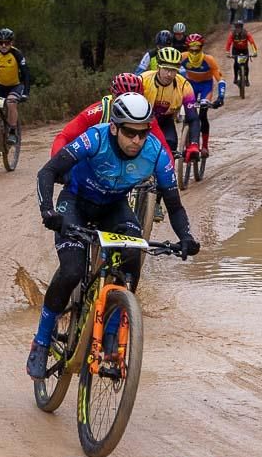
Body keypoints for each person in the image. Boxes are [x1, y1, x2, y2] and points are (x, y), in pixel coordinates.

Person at [28, 92, 201, 378]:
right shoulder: (94, 138)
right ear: (114, 128)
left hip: (114, 208)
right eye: (130, 133)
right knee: (71, 270)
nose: (137, 141)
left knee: (132, 260)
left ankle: (110, 338)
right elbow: (47, 173)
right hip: (76, 203)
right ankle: (42, 340)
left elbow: (174, 203)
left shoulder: (155, 152)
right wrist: (49, 212)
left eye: (142, 133)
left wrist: (185, 236)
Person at [50, 73, 169, 156]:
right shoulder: (98, 111)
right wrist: (58, 164)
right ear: (113, 96)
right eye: (122, 99)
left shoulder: (144, 113)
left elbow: (163, 146)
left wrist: (168, 174)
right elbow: (64, 136)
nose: (128, 104)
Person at [140, 46, 200, 160]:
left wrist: (194, 144)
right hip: (144, 120)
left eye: (173, 70)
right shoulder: (143, 80)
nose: (169, 74)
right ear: (158, 67)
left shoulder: (184, 85)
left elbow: (193, 117)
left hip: (165, 120)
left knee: (170, 146)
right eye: (166, 69)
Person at [180, 33, 226, 158]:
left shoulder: (209, 60)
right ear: (187, 48)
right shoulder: (182, 57)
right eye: (191, 49)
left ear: (202, 48)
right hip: (191, 86)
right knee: (188, 113)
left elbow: (220, 79)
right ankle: (187, 142)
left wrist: (221, 97)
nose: (194, 53)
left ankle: (204, 146)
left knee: (203, 114)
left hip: (206, 86)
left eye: (197, 49)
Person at [224, 19, 259, 85]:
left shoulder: (246, 33)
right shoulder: (232, 34)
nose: (238, 28)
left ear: (242, 27)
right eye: (237, 27)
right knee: (236, 64)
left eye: (239, 27)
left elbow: (252, 42)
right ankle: (235, 77)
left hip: (244, 49)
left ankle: (247, 79)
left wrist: (255, 52)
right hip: (236, 50)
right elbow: (229, 43)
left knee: (246, 64)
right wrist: (227, 52)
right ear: (235, 27)